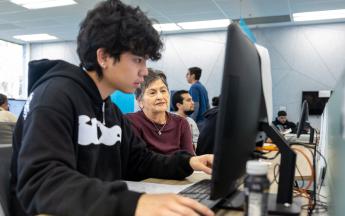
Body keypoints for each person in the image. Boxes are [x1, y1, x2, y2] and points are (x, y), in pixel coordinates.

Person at [10, 1, 214, 216]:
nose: (145, 72)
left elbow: (139, 160)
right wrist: (133, 204)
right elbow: (43, 182)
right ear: (104, 57)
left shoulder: (109, 109)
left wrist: (189, 161)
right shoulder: (53, 96)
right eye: (137, 60)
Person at [126, 70, 194, 155]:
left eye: (163, 91)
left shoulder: (181, 123)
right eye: (152, 92)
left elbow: (189, 160)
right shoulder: (131, 122)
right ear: (140, 101)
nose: (160, 96)